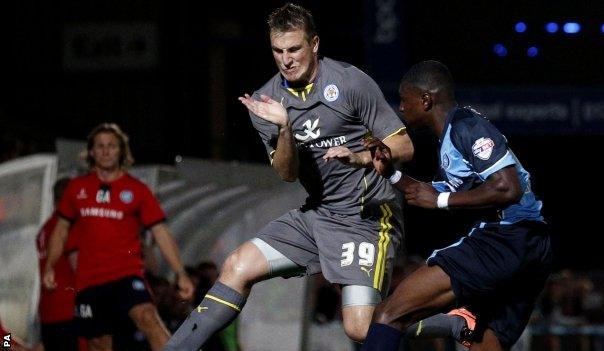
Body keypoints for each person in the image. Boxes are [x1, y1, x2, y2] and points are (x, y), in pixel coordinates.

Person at [163, 3, 413, 349]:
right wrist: (285, 129)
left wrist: (360, 156)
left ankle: (452, 323)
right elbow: (286, 173)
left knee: (361, 328)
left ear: (314, 44)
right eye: (278, 51)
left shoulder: (349, 82)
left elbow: (403, 146)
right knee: (237, 265)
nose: (286, 59)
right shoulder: (268, 101)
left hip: (365, 217)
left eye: (294, 48)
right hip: (316, 213)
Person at [360, 60, 553, 351]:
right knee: (487, 341)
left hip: (508, 239)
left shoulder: (467, 126)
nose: (401, 108)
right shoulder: (452, 137)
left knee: (388, 314)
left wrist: (441, 200)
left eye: (404, 100)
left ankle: (455, 323)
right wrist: (391, 173)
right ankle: (462, 324)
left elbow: (507, 187)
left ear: (426, 100)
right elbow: (421, 192)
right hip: (532, 247)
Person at [43, 123, 194, 351]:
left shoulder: (138, 190)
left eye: (111, 146)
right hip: (88, 282)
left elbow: (160, 232)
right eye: (100, 146)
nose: (105, 151)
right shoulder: (77, 188)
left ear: (121, 151)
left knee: (147, 317)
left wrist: (180, 272)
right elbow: (61, 229)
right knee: (99, 343)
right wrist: (50, 266)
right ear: (91, 152)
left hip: (125, 275)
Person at [36, 177, 84, 351]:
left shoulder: (46, 228)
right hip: (68, 311)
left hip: (49, 313)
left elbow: (7, 339)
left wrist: (12, 345)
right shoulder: (65, 227)